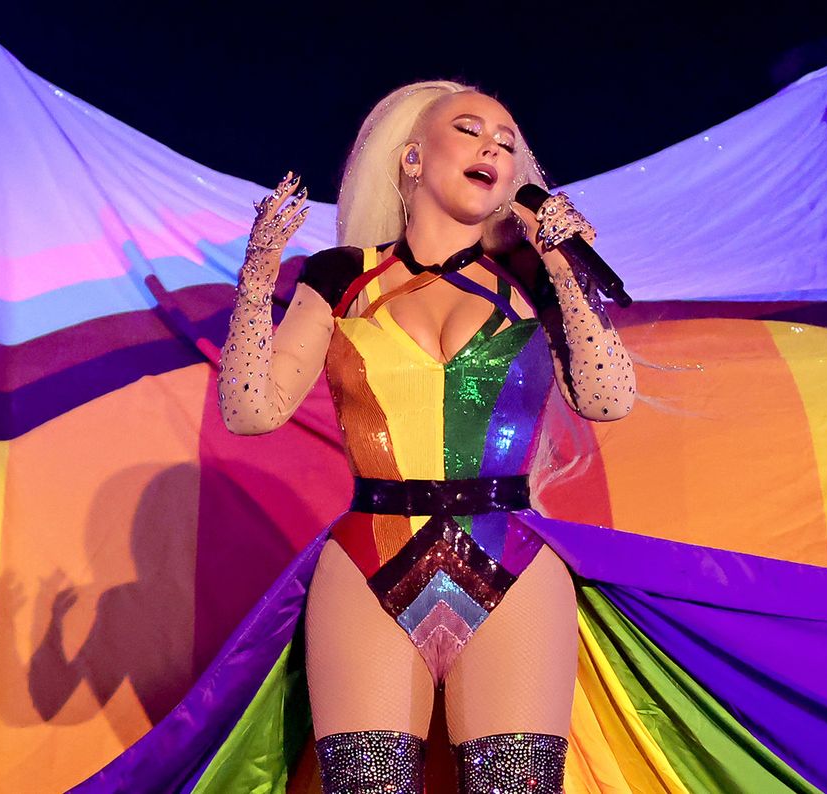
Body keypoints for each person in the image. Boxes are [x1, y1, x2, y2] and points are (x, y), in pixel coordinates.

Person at [215, 80, 635, 791]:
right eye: (470, 131)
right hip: (369, 564)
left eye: (506, 143)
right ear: (412, 158)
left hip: (512, 565)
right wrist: (257, 277)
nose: (492, 149)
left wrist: (565, 270)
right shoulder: (342, 277)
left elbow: (608, 398)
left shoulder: (531, 279)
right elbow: (251, 410)